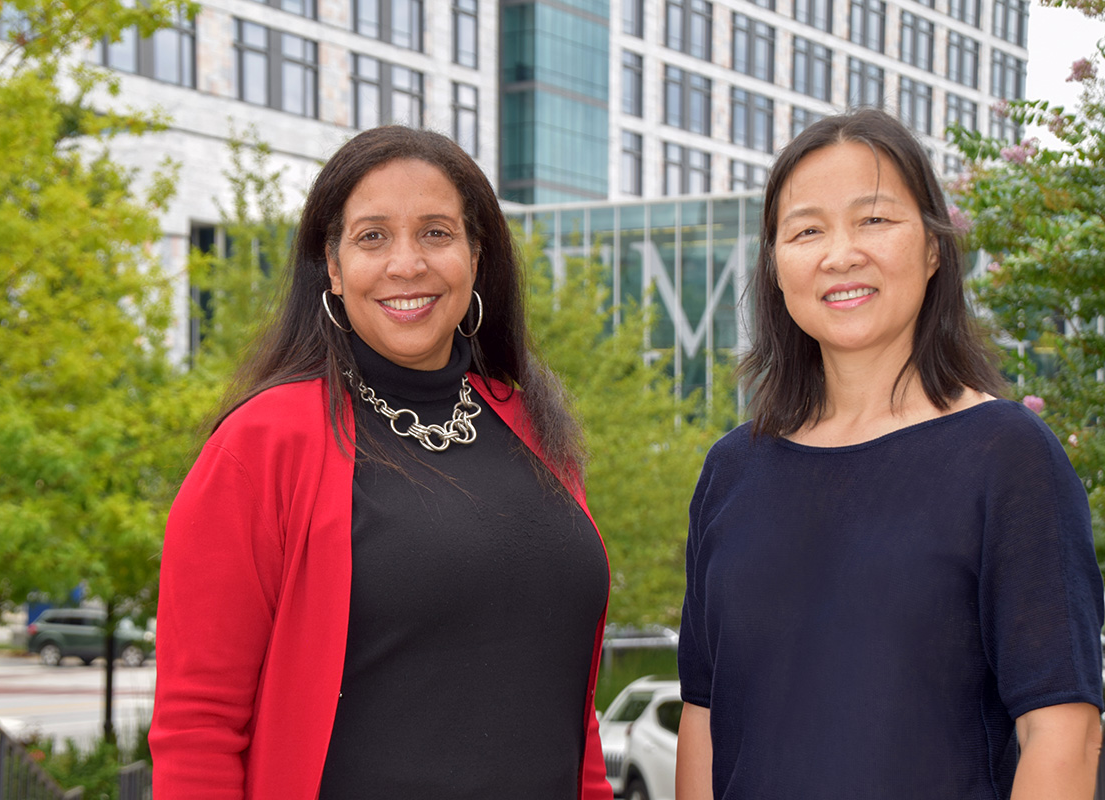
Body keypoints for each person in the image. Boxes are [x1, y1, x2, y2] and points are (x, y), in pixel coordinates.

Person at [149, 126, 613, 799]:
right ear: (333, 267)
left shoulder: (532, 425)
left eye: (435, 233)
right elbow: (199, 726)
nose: (406, 264)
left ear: (476, 257)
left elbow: (570, 705)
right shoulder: (261, 445)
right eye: (372, 237)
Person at [676, 108, 1104, 799]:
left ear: (934, 249)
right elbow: (703, 712)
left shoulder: (1008, 457)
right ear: (778, 269)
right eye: (807, 229)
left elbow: (1063, 729)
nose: (840, 253)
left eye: (873, 220)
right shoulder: (732, 471)